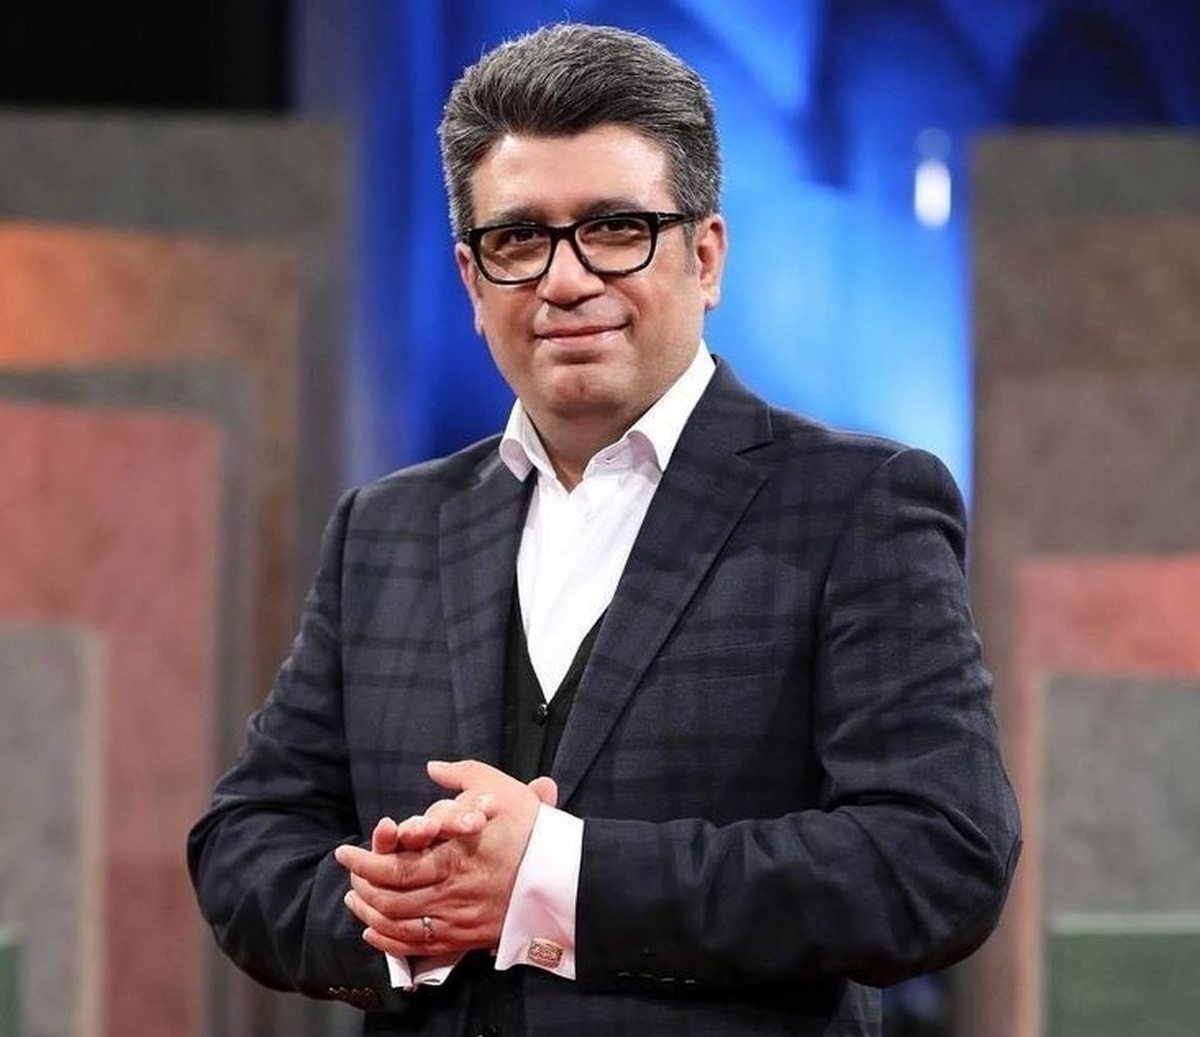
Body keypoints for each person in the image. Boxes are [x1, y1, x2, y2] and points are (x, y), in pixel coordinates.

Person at [188, 22, 1020, 1037]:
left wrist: (555, 876)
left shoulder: (859, 503)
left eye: (616, 228)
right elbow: (243, 840)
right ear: (472, 281)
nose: (565, 279)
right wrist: (402, 915)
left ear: (705, 257)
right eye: (518, 239)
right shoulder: (385, 529)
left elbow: (936, 858)